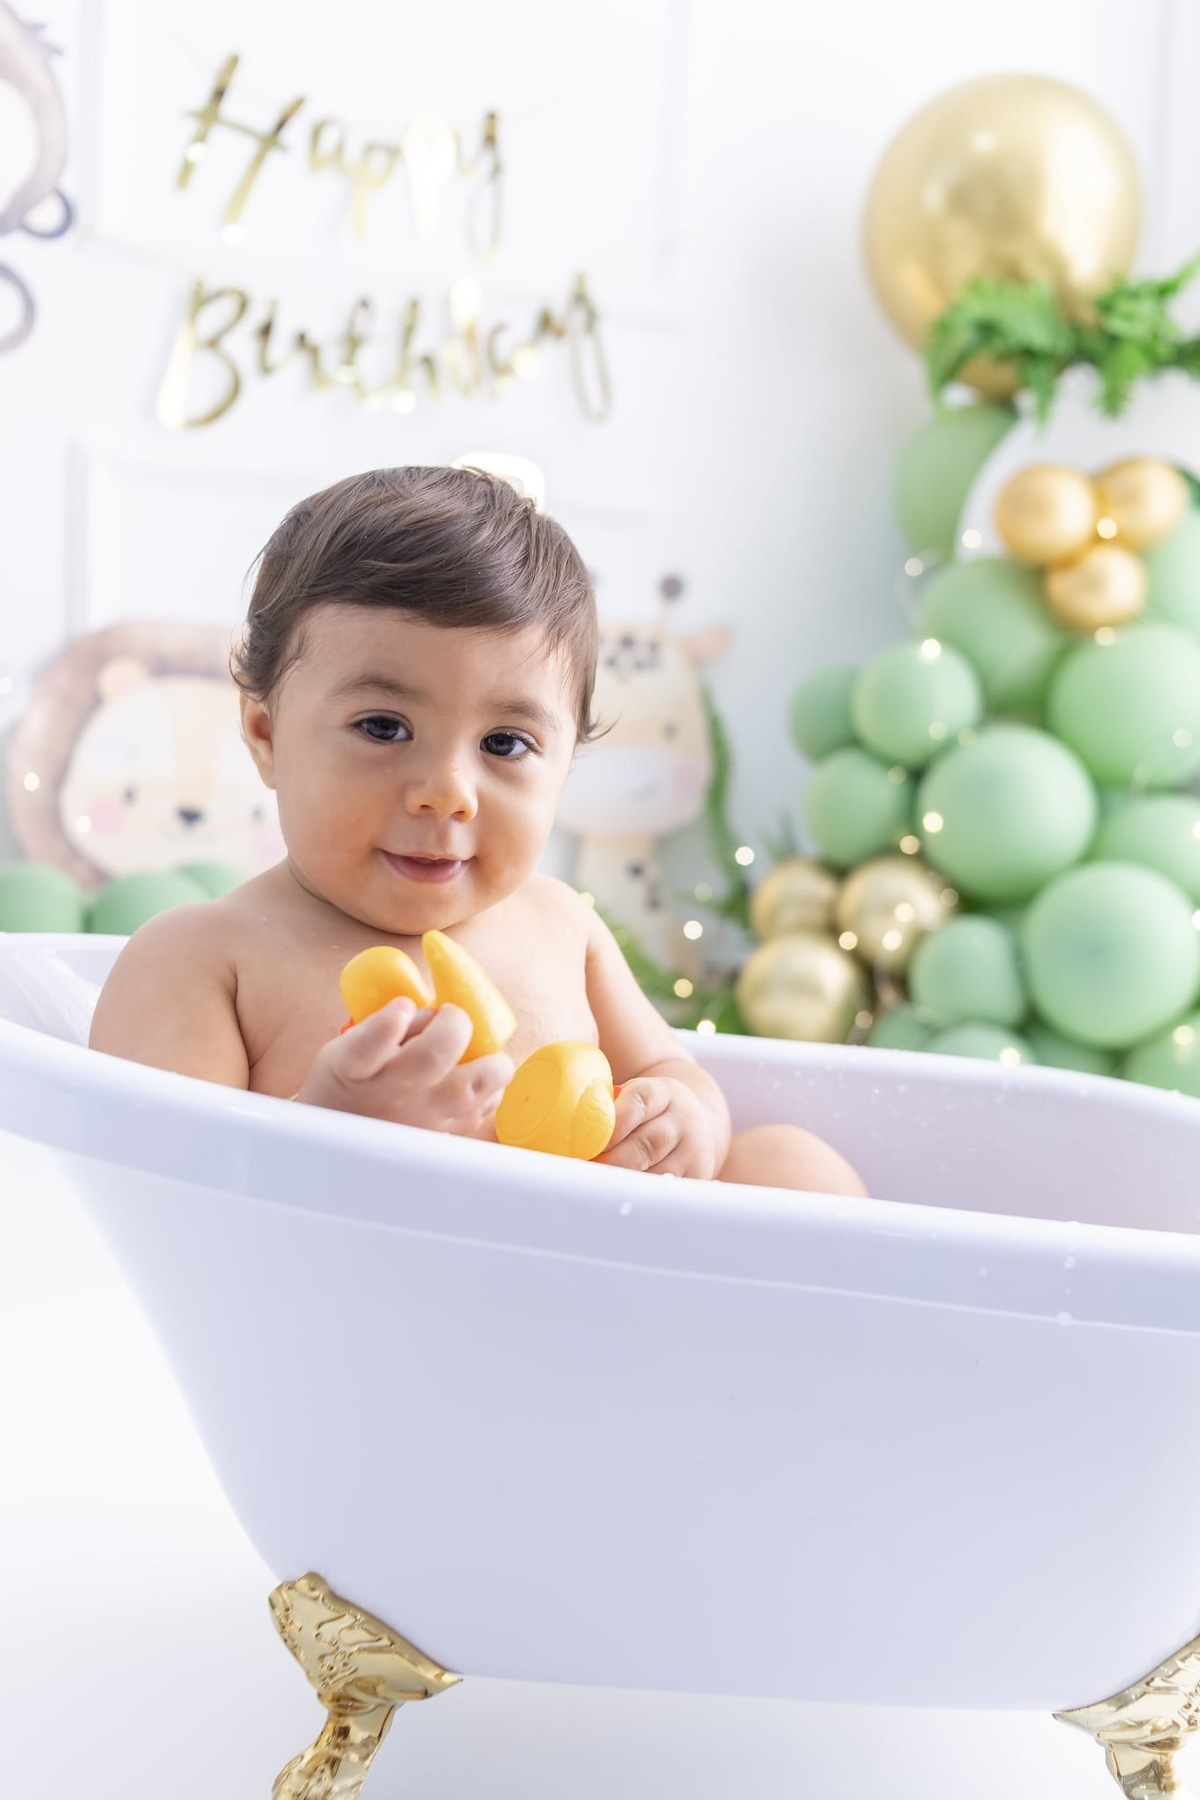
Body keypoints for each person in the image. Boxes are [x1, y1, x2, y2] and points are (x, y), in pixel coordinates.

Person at [90, 466, 865, 1196]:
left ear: (565, 766)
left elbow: (668, 1064)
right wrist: (324, 1127)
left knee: (798, 1166)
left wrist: (680, 1115)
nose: (446, 794)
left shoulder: (562, 924)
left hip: (591, 1296)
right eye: (384, 726)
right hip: (361, 1311)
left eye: (505, 744)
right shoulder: (203, 960)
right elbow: (161, 1206)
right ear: (265, 733)